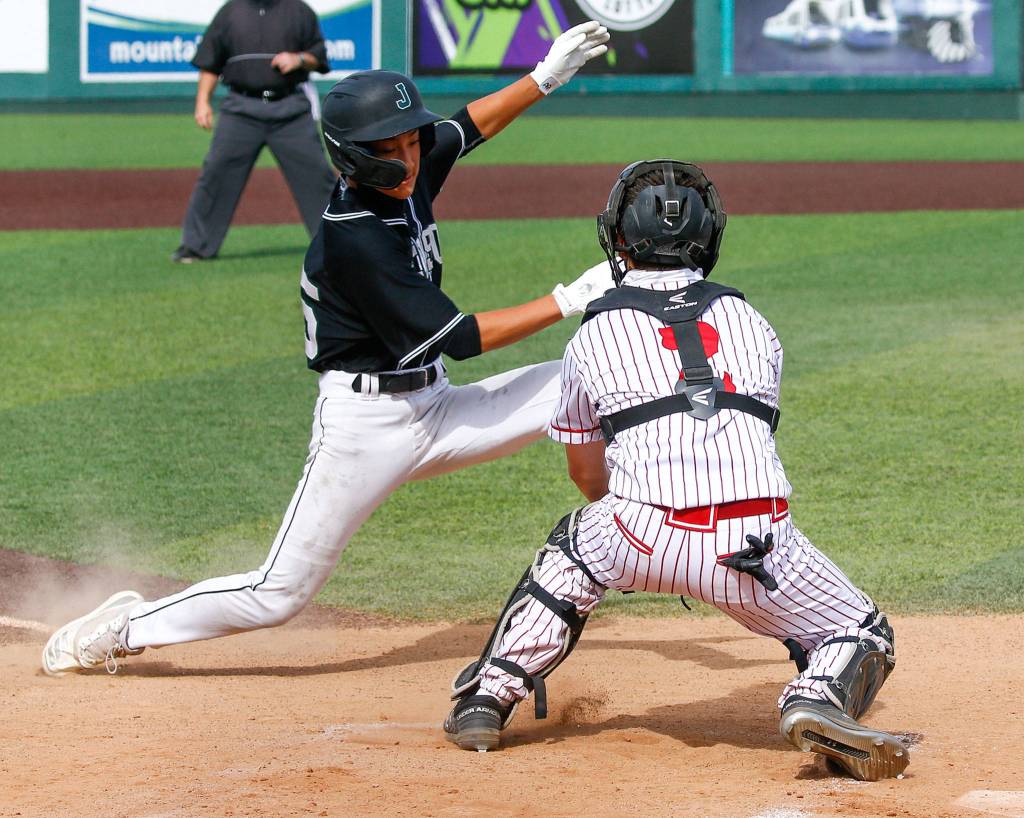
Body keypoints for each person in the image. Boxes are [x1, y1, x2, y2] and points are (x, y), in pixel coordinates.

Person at [42, 24, 613, 673]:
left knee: (587, 377)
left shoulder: (407, 167)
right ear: (355, 158)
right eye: (390, 149)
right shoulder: (354, 234)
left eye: (409, 141)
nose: (409, 157)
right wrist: (567, 299)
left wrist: (547, 76)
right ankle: (121, 629)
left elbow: (466, 126)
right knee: (275, 594)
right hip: (365, 429)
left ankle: (654, 521)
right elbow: (461, 338)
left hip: (437, 406)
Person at [442, 160, 910, 782]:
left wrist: (648, 540)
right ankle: (817, 696)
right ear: (711, 236)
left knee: (573, 546)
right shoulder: (754, 323)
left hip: (641, 529)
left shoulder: (592, 335)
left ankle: (487, 698)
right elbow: (745, 439)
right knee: (861, 630)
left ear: (615, 236)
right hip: (758, 541)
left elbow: (587, 475)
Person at [171, 0, 338, 263]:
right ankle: (196, 246)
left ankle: (339, 244)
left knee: (318, 176)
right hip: (241, 109)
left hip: (289, 109)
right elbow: (211, 63)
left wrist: (299, 59)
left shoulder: (299, 11)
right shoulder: (230, 12)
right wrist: (202, 101)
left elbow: (319, 56)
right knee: (216, 172)